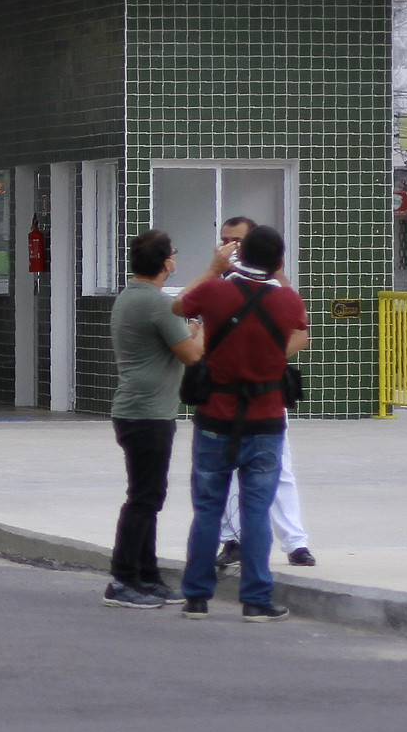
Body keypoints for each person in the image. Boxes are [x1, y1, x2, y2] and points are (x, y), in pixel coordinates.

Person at [173, 225, 309, 621]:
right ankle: (256, 600)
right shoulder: (287, 299)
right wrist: (279, 275)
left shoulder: (215, 291)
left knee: (208, 509)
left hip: (215, 416)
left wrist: (215, 269)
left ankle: (197, 597)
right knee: (256, 510)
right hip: (265, 420)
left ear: (238, 256)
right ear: (279, 261)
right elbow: (301, 325)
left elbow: (179, 306)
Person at [208, 216, 316, 570]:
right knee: (226, 470)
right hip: (226, 394)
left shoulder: (276, 287)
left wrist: (263, 358)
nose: (230, 247)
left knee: (278, 467)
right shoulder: (218, 286)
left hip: (267, 393)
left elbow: (301, 334)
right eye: (225, 239)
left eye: (238, 241)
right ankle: (233, 540)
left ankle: (295, 542)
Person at [104, 230, 204, 609]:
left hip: (137, 411)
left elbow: (173, 330)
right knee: (144, 499)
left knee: (148, 496)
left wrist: (190, 329)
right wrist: (205, 328)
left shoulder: (131, 297)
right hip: (147, 415)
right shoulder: (157, 305)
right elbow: (192, 355)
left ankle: (147, 575)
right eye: (173, 254)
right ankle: (122, 580)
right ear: (167, 263)